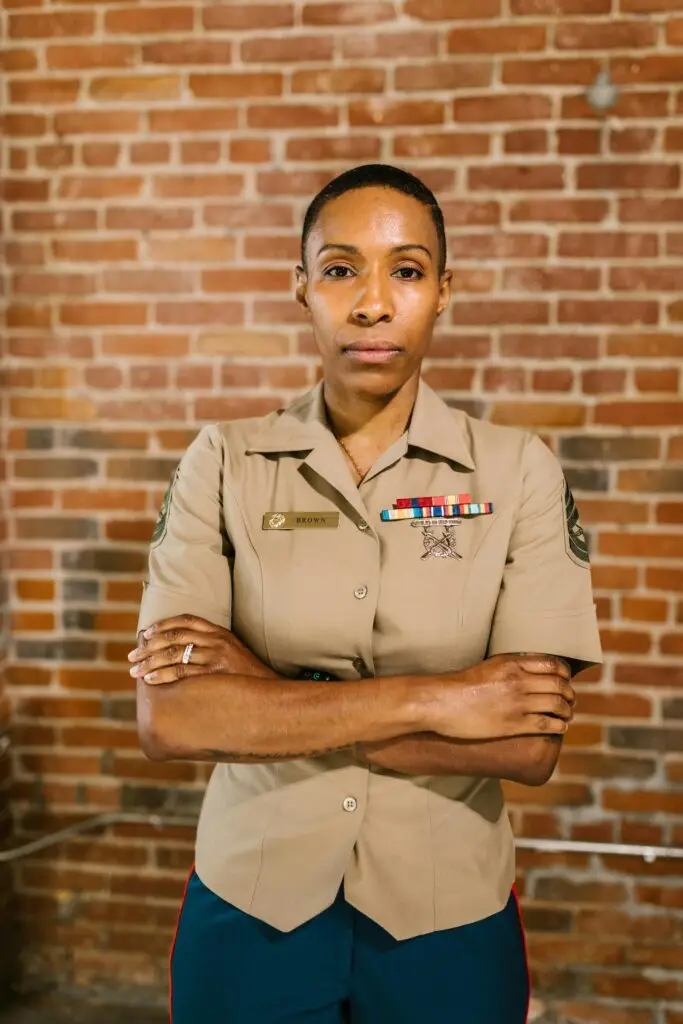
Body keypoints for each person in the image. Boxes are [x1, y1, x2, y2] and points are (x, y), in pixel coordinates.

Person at [129, 163, 602, 1024]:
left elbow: (526, 745)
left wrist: (265, 699)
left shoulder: (517, 469)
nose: (373, 303)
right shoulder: (223, 461)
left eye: (407, 270)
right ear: (300, 285)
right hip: (251, 907)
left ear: (444, 291)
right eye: (341, 269)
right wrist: (444, 699)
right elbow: (175, 719)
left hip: (447, 917)